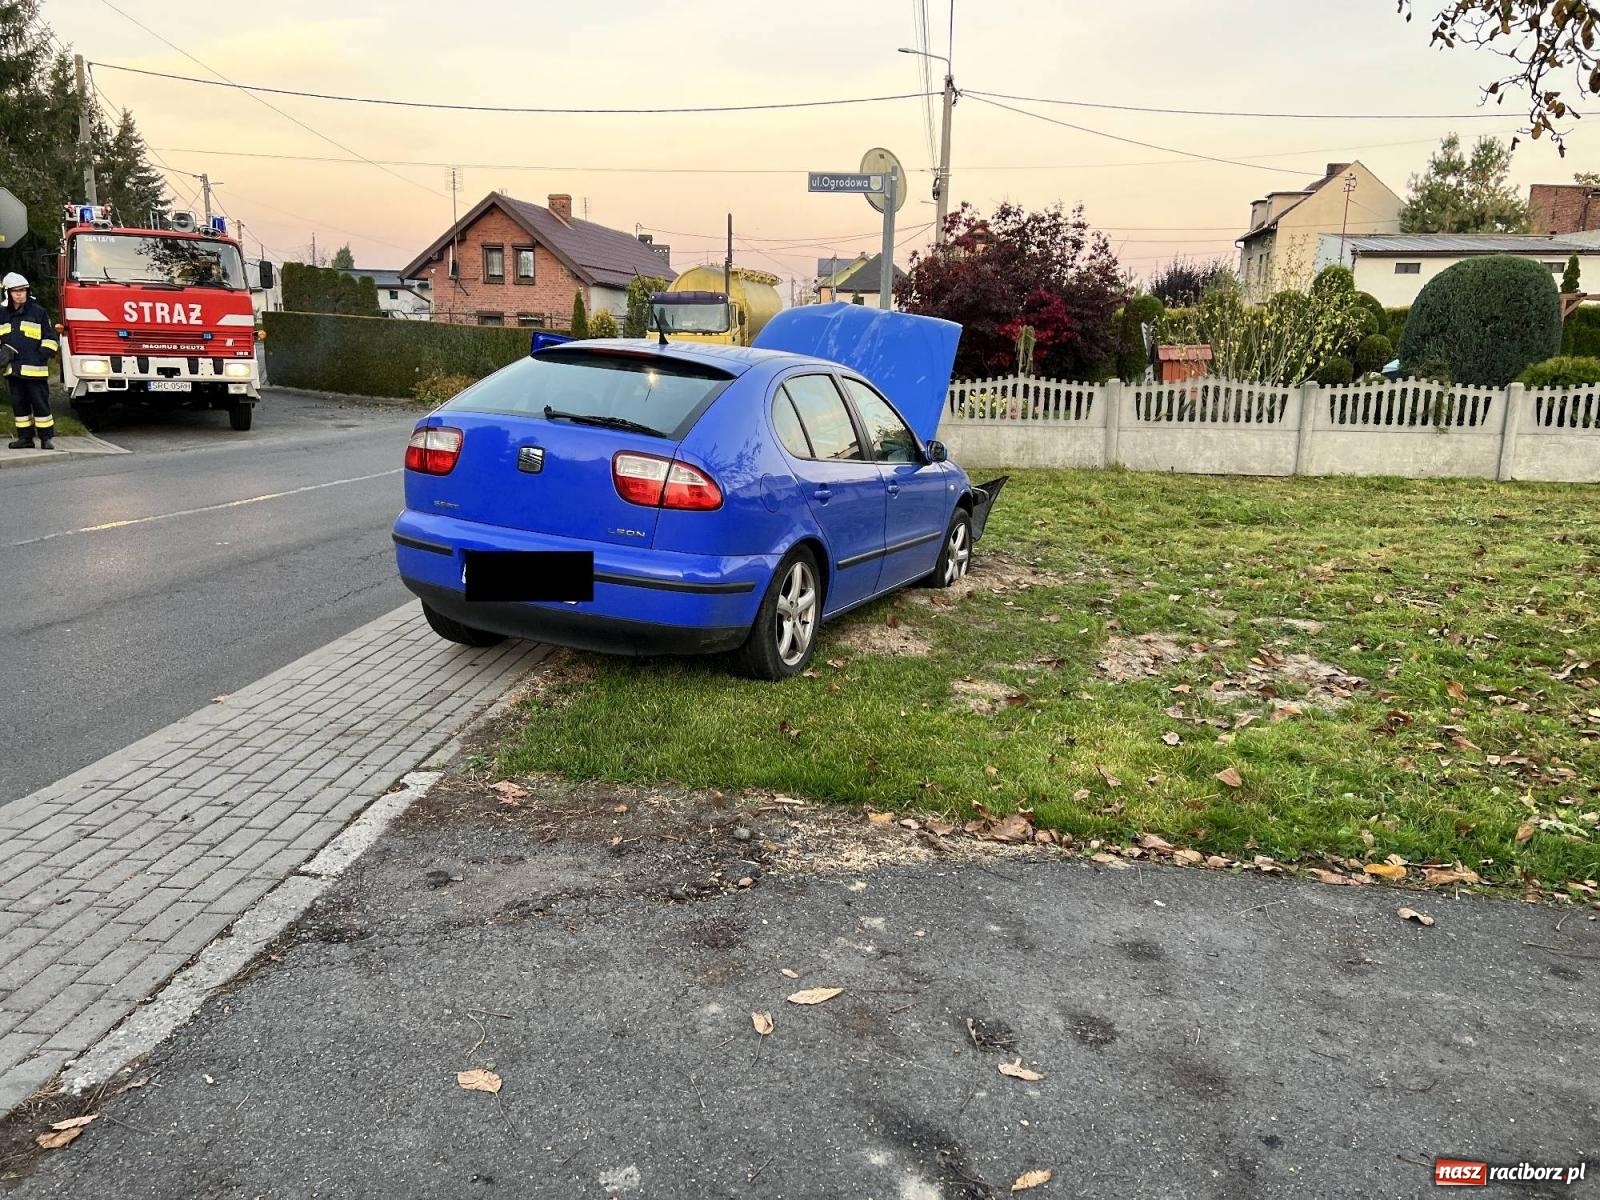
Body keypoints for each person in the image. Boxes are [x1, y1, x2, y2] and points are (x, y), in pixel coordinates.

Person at [2, 272, 59, 449]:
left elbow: (51, 339)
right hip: (13, 370)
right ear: (8, 294)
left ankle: (46, 439)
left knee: (41, 406)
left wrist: (41, 356)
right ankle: (25, 439)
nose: (19, 294)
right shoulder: (2, 314)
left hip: (35, 371)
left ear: (28, 292)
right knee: (20, 407)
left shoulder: (38, 312)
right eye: (15, 291)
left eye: (22, 290)